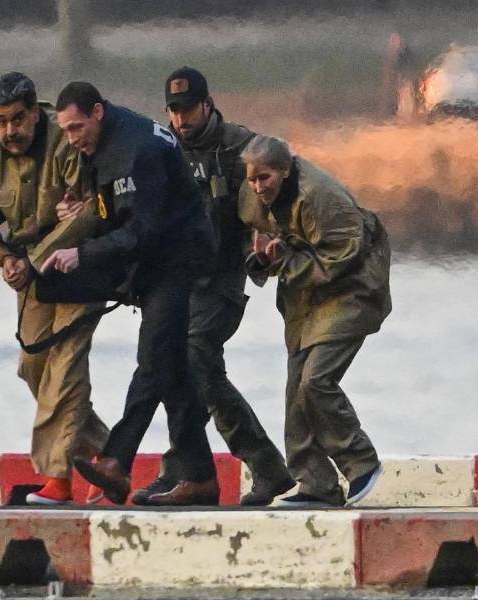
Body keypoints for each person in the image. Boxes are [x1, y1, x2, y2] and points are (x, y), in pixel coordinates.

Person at [43, 81, 219, 506]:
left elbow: (142, 231)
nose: (72, 138)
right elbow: (110, 210)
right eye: (65, 130)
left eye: (77, 127)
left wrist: (81, 253)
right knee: (172, 371)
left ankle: (116, 461)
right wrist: (77, 209)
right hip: (154, 261)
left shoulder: (137, 150)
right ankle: (199, 476)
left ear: (98, 113)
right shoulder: (100, 145)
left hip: (177, 258)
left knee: (153, 358)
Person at [130, 67, 294, 507]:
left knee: (194, 356)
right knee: (170, 363)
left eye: (188, 110)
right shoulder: (158, 149)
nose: (181, 120)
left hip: (222, 277)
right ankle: (182, 468)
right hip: (175, 282)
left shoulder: (240, 147)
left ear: (207, 104)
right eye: (174, 111)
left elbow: (279, 191)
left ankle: (262, 465)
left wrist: (266, 237)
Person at [0, 72, 108, 505]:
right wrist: (1, 258)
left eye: (19, 119)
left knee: (66, 369)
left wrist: (35, 258)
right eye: (2, 120)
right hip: (27, 273)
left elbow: (89, 213)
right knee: (34, 367)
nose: (10, 131)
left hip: (78, 264)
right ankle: (107, 455)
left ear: (35, 112)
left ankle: (58, 481)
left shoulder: (65, 142)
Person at [238, 134, 391, 507]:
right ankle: (316, 482)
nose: (259, 187)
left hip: (353, 288)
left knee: (317, 380)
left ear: (286, 171)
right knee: (296, 388)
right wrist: (262, 259)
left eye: (266, 178)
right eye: (253, 179)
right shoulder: (253, 197)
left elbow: (344, 254)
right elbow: (264, 239)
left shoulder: (321, 196)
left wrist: (285, 260)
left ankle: (361, 463)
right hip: (307, 296)